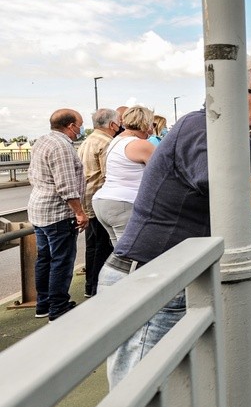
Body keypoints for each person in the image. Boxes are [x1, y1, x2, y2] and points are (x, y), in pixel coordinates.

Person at [101, 57, 251, 389]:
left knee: (171, 394)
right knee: (140, 399)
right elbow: (244, 194)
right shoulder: (200, 128)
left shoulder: (232, 138)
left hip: (175, 276)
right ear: (231, 93)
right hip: (148, 277)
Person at [27, 109, 88, 321]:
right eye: (79, 124)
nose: (80, 128)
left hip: (38, 209)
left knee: (44, 258)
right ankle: (59, 307)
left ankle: (42, 304)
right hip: (57, 213)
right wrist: (80, 212)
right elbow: (66, 185)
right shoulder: (62, 147)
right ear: (70, 125)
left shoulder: (42, 141)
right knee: (61, 260)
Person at [92, 105, 156, 245]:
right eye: (153, 123)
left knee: (119, 254)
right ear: (146, 123)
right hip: (123, 202)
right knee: (132, 255)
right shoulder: (141, 144)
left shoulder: (116, 140)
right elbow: (163, 173)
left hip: (102, 201)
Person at [77, 108, 120, 298]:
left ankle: (90, 287)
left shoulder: (87, 141)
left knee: (92, 246)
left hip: (87, 199)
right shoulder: (108, 143)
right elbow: (108, 174)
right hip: (101, 198)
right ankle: (97, 289)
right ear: (112, 125)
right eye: (118, 123)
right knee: (103, 246)